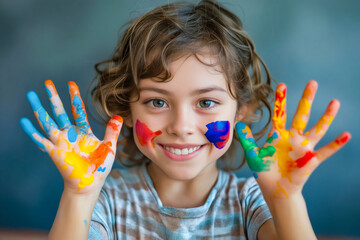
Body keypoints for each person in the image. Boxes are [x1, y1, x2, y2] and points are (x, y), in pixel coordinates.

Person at [20, 0, 351, 239]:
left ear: (240, 112)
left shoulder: (251, 201)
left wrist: (286, 200)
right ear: (127, 112)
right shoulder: (107, 200)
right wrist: (78, 197)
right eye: (157, 101)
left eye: (206, 102)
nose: (181, 126)